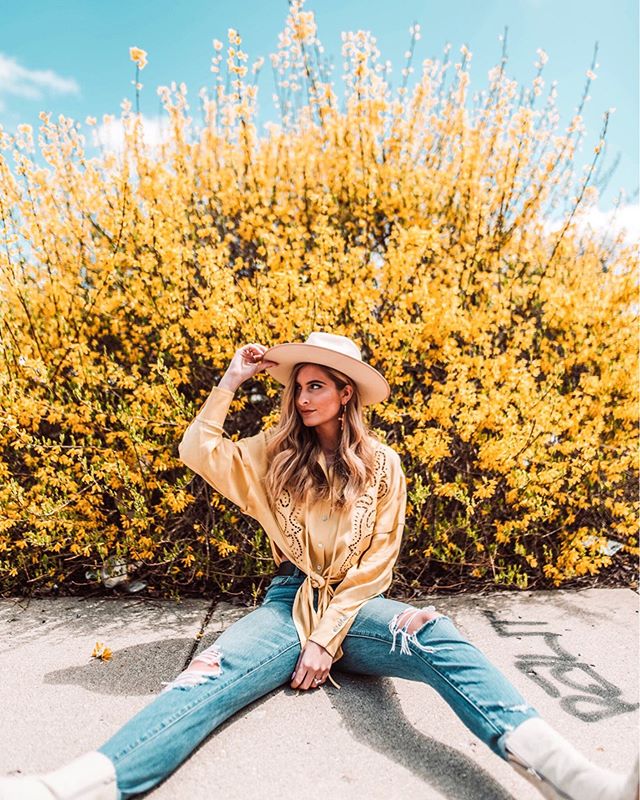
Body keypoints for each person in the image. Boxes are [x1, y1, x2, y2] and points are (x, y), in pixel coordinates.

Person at [1, 332, 637, 800]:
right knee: (208, 673)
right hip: (285, 604)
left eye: (315, 386)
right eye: (297, 386)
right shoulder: (273, 453)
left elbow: (376, 564)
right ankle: (77, 785)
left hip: (354, 608)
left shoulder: (384, 464)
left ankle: (570, 776)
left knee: (435, 633)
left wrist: (326, 641)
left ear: (344, 394)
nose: (301, 398)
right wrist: (230, 380)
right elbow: (198, 449)